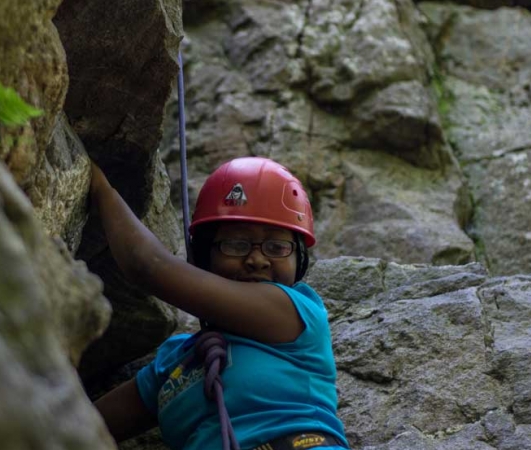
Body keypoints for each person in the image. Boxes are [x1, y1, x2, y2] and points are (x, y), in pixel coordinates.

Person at [89, 156, 349, 450]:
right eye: (236, 245)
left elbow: (148, 266)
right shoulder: (176, 361)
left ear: (297, 260)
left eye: (277, 247)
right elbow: (80, 426)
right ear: (203, 257)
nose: (257, 260)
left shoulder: (297, 315)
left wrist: (100, 187)